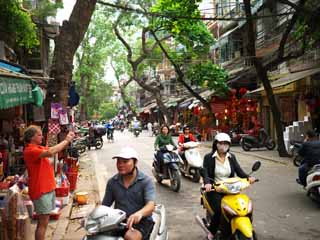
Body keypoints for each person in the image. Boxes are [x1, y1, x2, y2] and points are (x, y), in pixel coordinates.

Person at [23, 125, 75, 240]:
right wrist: (66, 140)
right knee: (42, 223)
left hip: (46, 189)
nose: (42, 136)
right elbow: (52, 151)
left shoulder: (38, 148)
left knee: (44, 222)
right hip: (41, 191)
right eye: (39, 134)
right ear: (32, 137)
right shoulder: (30, 150)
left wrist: (66, 141)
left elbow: (54, 149)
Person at [202, 132, 256, 240]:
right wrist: (207, 183)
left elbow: (239, 171)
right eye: (221, 143)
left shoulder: (231, 157)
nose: (223, 145)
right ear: (216, 144)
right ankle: (212, 232)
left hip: (231, 189)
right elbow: (205, 172)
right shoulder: (209, 157)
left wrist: (248, 177)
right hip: (215, 189)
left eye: (226, 143)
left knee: (243, 208)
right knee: (219, 210)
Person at [102, 147, 155, 240]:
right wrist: (91, 217)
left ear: (135, 162)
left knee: (130, 237)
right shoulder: (112, 182)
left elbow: (151, 205)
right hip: (119, 221)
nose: (120, 165)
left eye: (125, 161)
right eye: (118, 161)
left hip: (142, 222)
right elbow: (104, 206)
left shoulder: (146, 181)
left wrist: (139, 214)